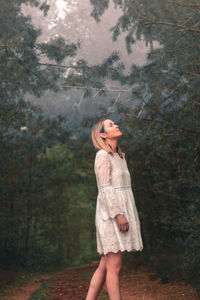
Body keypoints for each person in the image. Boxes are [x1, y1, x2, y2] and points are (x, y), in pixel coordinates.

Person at [85, 118, 143, 300]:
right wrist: (118, 214)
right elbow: (105, 188)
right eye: (111, 125)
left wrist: (132, 216)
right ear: (103, 134)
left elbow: (127, 190)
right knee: (114, 266)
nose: (116, 125)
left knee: (105, 265)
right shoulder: (102, 155)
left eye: (115, 123)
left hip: (123, 212)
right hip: (110, 214)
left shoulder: (120, 156)